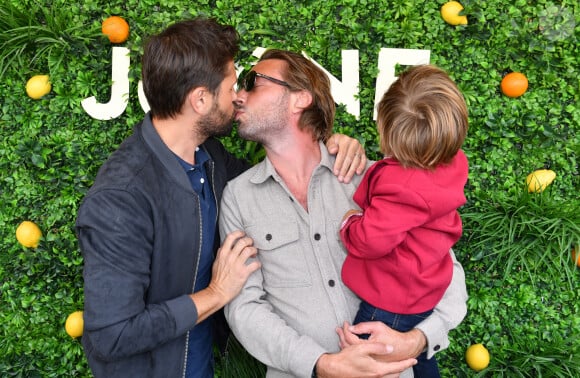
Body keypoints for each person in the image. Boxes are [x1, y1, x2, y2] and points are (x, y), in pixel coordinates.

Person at [76, 18, 365, 378]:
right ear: (200, 100)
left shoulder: (211, 159)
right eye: (232, 84)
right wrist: (215, 294)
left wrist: (332, 144)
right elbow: (111, 336)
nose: (237, 96)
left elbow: (283, 173)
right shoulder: (120, 199)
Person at [220, 49, 468, 378]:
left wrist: (417, 340)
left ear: (300, 98)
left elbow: (445, 272)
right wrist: (321, 364)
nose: (239, 96)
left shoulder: (372, 177)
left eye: (253, 83)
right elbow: (244, 308)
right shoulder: (238, 197)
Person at [339, 64, 469, 378]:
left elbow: (372, 240)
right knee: (418, 359)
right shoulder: (452, 161)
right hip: (425, 286)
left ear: (386, 130)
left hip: (392, 296)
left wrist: (350, 223)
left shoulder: (402, 186)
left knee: (370, 358)